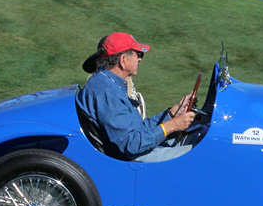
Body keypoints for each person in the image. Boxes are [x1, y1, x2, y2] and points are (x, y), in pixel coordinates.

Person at [76, 32, 196, 161]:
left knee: (196, 140)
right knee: (199, 154)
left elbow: (137, 129)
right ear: (123, 60)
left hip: (133, 151)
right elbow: (131, 144)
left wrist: (172, 113)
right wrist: (172, 126)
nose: (140, 59)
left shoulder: (108, 83)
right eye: (138, 54)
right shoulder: (107, 93)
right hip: (132, 159)